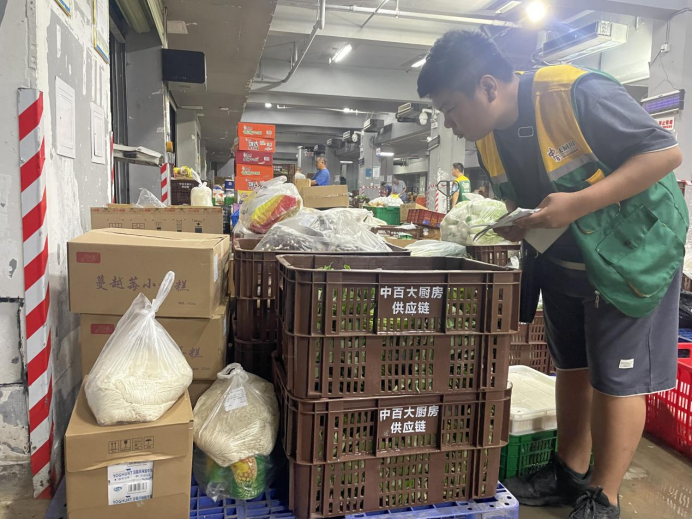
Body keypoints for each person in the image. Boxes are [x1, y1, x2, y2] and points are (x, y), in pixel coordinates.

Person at [417, 30, 687, 520]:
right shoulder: (490, 137)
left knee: (617, 379)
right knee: (572, 366)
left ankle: (604, 495)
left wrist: (578, 204)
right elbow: (527, 196)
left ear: (488, 87)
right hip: (563, 259)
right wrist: (518, 222)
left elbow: (665, 154)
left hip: (630, 257)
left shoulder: (573, 93)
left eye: (451, 108)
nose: (450, 124)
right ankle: (569, 471)